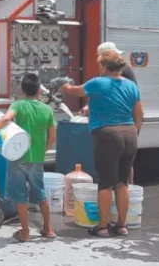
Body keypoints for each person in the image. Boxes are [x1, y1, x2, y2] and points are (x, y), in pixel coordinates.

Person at [61, 50, 143, 238]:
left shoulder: (98, 82)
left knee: (105, 183)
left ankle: (103, 226)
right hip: (129, 134)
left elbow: (75, 91)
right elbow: (139, 114)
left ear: (105, 66)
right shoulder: (131, 85)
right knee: (122, 183)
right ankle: (122, 225)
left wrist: (64, 86)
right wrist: (132, 130)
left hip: (107, 135)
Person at [0, 73, 57, 242]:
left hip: (18, 157)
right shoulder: (47, 109)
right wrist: (43, 151)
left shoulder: (18, 105)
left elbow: (6, 119)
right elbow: (52, 136)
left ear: (22, 89)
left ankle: (25, 232)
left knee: (20, 196)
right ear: (39, 90)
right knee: (41, 193)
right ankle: (49, 228)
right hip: (37, 159)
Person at [80, 42, 138, 184]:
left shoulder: (121, 70)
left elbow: (116, 95)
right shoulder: (115, 71)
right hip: (128, 126)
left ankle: (124, 189)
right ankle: (124, 191)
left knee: (118, 169)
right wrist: (89, 106)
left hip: (120, 123)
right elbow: (105, 93)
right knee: (124, 164)